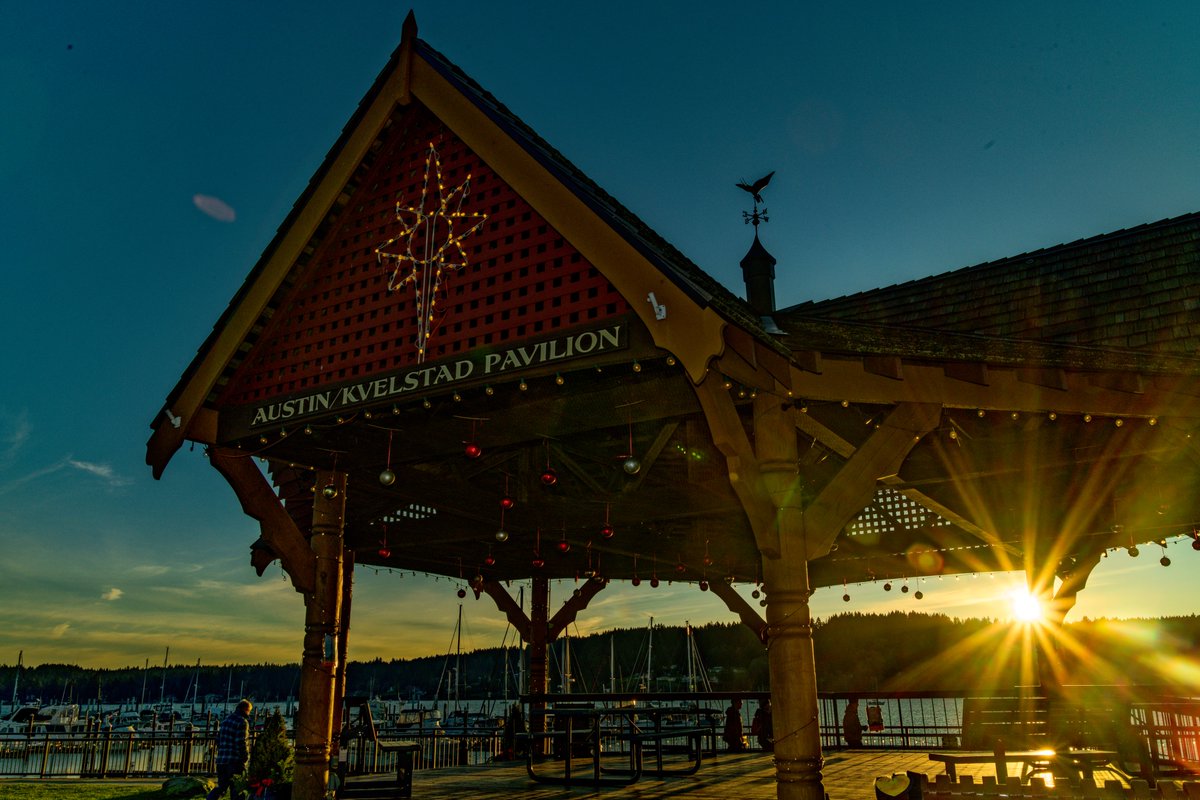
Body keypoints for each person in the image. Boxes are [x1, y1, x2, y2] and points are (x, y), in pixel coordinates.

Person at [208, 699, 253, 800]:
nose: (249, 714)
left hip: (221, 761)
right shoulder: (242, 722)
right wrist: (245, 758)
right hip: (235, 762)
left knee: (221, 788)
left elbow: (218, 740)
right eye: (249, 711)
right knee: (237, 789)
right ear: (246, 709)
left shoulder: (225, 721)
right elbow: (241, 742)